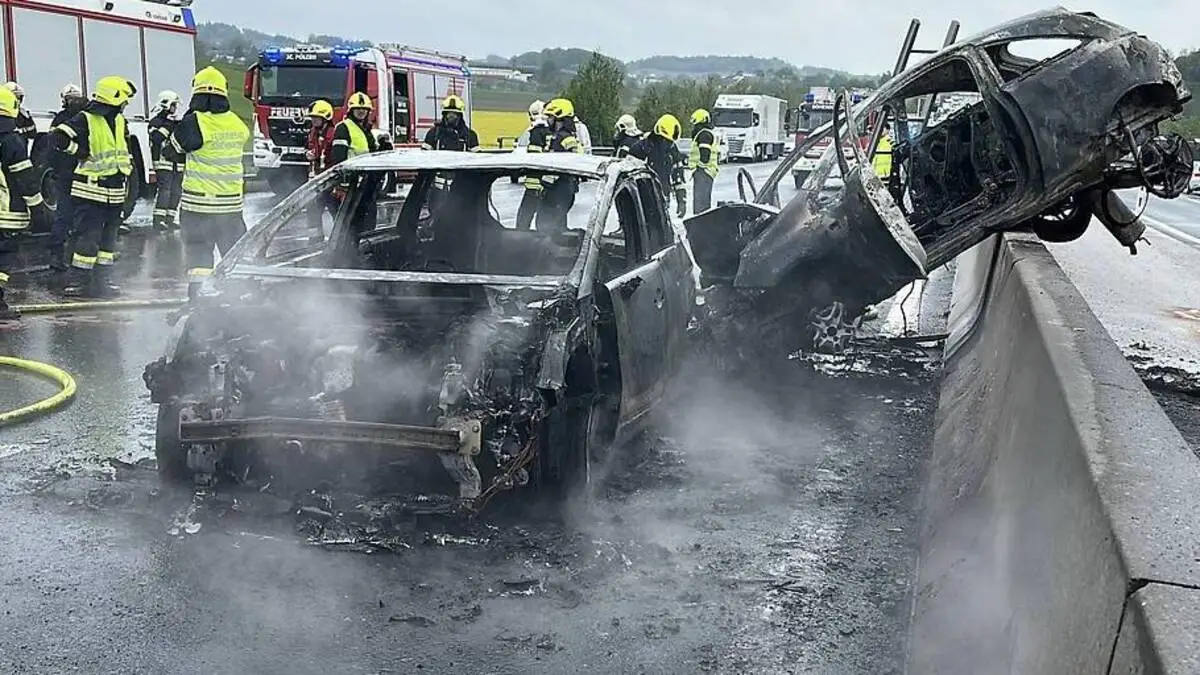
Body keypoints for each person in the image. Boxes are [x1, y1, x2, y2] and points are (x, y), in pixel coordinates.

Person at [162, 66, 250, 300]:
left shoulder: (194, 122)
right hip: (231, 207)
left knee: (199, 257)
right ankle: (235, 302)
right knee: (233, 256)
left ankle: (198, 302)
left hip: (198, 207)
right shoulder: (237, 123)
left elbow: (170, 152)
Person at [49, 75, 136, 298]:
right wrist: (78, 151)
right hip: (90, 190)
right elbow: (57, 137)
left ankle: (102, 282)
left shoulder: (119, 120)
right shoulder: (85, 118)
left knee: (108, 240)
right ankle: (80, 283)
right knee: (87, 238)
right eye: (123, 99)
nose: (125, 104)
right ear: (114, 97)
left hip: (115, 190)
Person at [0, 87, 51, 319]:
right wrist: (38, 208)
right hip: (6, 211)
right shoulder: (11, 140)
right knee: (3, 257)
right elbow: (25, 179)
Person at [45, 83, 87, 279]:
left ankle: (58, 255)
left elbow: (51, 147)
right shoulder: (86, 118)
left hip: (65, 174)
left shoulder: (60, 119)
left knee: (64, 215)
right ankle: (76, 256)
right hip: (82, 175)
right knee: (84, 216)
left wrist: (54, 169)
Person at [535, 98, 582, 235]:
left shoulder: (560, 138)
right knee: (558, 229)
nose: (548, 121)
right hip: (564, 189)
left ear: (559, 119)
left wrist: (544, 186)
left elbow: (556, 166)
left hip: (558, 189)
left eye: (550, 117)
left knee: (546, 229)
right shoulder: (566, 137)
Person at [629, 114, 685, 205]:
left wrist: (681, 199)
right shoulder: (641, 148)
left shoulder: (672, 149)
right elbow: (629, 179)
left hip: (663, 198)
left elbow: (678, 174)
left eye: (670, 141)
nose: (669, 144)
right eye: (667, 140)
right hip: (643, 199)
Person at [148, 90, 183, 232]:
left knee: (176, 191)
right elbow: (157, 138)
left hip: (177, 163)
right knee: (165, 191)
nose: (175, 108)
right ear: (166, 104)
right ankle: (159, 220)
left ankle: (170, 218)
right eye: (173, 105)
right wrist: (169, 124)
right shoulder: (156, 122)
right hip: (163, 162)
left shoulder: (175, 122)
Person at [515, 99, 551, 230]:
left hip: (534, 183)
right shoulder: (550, 131)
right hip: (548, 182)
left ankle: (521, 237)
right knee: (546, 218)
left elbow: (534, 158)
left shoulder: (536, 131)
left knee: (524, 216)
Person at [304, 99, 337, 240]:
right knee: (313, 211)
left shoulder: (333, 134)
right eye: (312, 117)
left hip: (331, 181)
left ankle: (342, 239)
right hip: (317, 180)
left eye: (316, 118)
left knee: (336, 210)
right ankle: (314, 240)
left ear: (325, 118)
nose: (313, 120)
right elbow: (310, 148)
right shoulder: (313, 133)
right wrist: (307, 154)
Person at [688, 109, 718, 214]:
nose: (693, 127)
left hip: (704, 172)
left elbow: (705, 155)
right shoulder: (704, 134)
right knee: (703, 203)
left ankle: (701, 222)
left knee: (701, 205)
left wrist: (699, 169)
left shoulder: (704, 135)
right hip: (706, 172)